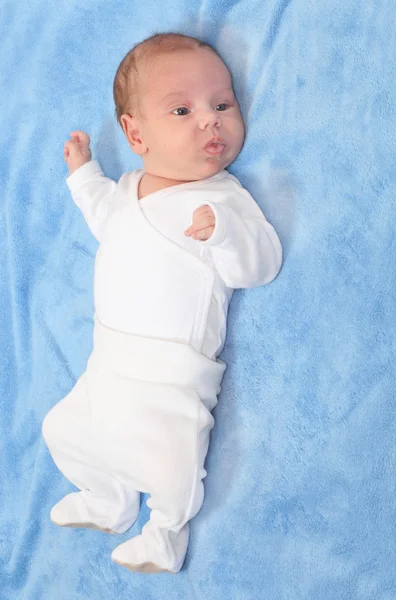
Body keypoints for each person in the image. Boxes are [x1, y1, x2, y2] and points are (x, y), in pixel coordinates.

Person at [42, 32, 282, 575]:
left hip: (174, 376)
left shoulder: (221, 198)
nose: (210, 120)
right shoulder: (127, 191)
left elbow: (261, 265)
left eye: (223, 104)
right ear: (135, 134)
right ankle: (109, 500)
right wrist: (83, 172)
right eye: (183, 109)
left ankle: (164, 534)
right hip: (107, 365)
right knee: (62, 429)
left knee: (172, 468)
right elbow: (102, 212)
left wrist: (222, 234)